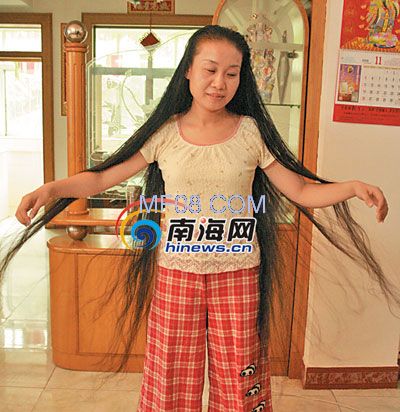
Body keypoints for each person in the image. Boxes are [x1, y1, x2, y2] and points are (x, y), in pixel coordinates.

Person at [0, 25, 396, 412]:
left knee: (240, 379)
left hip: (238, 273)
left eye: (231, 73)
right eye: (210, 69)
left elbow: (302, 191)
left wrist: (351, 187)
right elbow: (103, 177)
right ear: (188, 69)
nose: (219, 83)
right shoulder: (165, 133)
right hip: (177, 273)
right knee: (169, 379)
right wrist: (52, 189)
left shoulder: (250, 133)